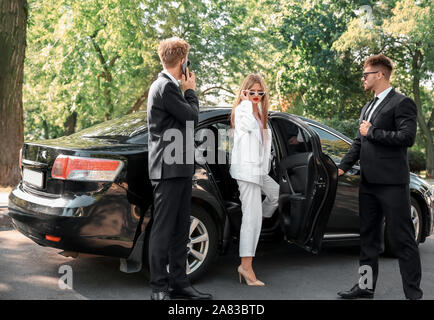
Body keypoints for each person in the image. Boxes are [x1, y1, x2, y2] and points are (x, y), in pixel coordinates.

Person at [337, 54, 422, 300]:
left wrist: (372, 131)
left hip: (393, 185)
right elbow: (358, 141)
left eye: (365, 74)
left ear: (380, 75)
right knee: (368, 239)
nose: (362, 79)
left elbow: (407, 138)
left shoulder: (401, 103)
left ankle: (413, 294)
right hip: (368, 184)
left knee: (404, 240)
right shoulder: (368, 106)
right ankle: (365, 287)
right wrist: (342, 167)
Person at [147, 37, 212, 300]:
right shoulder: (165, 87)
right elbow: (192, 117)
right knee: (163, 231)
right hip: (167, 170)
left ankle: (180, 284)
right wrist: (191, 90)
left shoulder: (168, 87)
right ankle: (159, 288)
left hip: (180, 169)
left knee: (180, 231)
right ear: (183, 61)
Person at [229, 74, 280, 286]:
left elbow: (262, 142)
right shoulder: (243, 111)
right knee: (250, 218)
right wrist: (246, 102)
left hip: (258, 170)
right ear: (244, 91)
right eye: (252, 92)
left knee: (275, 193)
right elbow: (246, 127)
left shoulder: (259, 112)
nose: (257, 96)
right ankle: (246, 267)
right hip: (247, 172)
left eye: (260, 92)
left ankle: (260, 217)